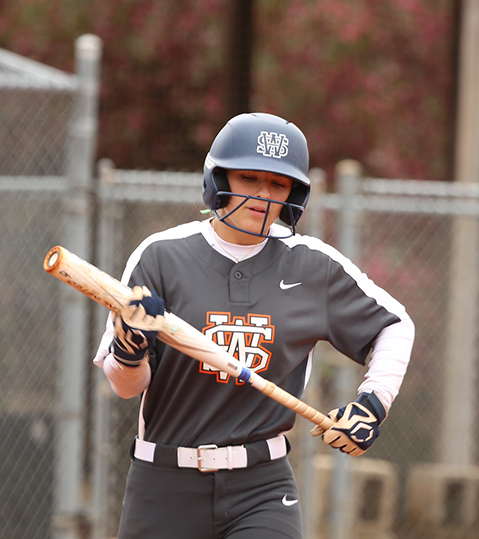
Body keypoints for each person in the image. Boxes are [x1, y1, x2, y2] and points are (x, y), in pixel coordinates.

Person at [93, 112, 415, 539]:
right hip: (164, 481)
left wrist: (372, 404)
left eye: (278, 184)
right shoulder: (161, 256)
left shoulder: (312, 265)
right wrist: (129, 349)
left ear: (293, 194)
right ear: (217, 179)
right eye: (248, 178)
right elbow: (125, 386)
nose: (263, 195)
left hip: (262, 487)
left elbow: (395, 325)